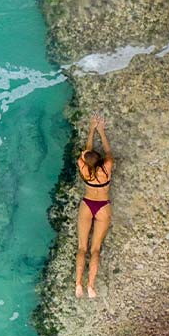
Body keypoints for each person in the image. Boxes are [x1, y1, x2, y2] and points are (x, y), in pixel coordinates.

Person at [75, 113, 113, 299]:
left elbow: (85, 152)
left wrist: (90, 130)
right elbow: (107, 151)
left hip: (87, 204)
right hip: (102, 206)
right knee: (95, 249)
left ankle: (78, 285)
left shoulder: (82, 168)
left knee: (82, 247)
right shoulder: (106, 168)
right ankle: (91, 286)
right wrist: (101, 131)